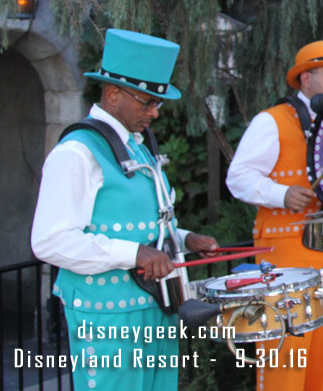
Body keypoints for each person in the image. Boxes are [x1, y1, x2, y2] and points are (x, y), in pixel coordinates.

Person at [31, 28, 219, 391]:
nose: (155, 113)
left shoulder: (138, 147)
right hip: (107, 320)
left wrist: (183, 238)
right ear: (113, 93)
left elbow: (142, 226)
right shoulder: (77, 152)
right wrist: (134, 253)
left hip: (157, 310)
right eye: (146, 102)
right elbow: (49, 241)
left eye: (158, 103)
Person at [226, 40, 323, 391]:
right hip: (287, 252)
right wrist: (281, 194)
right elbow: (238, 178)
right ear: (305, 79)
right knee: (285, 352)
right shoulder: (272, 121)